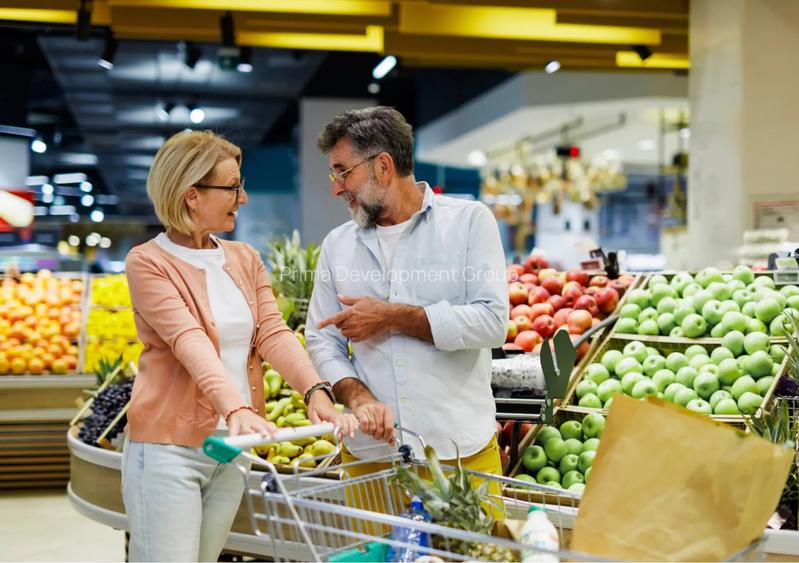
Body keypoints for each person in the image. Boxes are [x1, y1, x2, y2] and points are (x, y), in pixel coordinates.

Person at [122, 130, 356, 562]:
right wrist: (237, 408)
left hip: (231, 450)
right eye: (232, 187)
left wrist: (315, 391)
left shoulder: (244, 257)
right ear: (192, 195)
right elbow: (188, 341)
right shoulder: (148, 262)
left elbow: (272, 332)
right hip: (168, 449)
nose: (242, 198)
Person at [306, 106, 508, 476]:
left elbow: (492, 323)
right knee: (371, 539)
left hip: (458, 455)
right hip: (370, 456)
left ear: (383, 166)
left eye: (342, 172)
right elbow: (321, 340)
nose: (336, 188)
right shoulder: (337, 244)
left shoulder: (468, 223)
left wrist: (393, 317)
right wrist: (357, 396)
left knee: (473, 538)